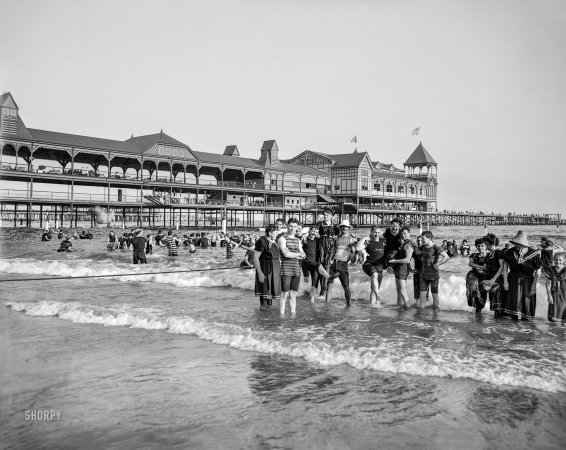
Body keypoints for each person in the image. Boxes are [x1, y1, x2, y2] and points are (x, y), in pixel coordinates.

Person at [502, 231, 542, 321]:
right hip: (512, 279)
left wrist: (534, 285)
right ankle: (514, 327)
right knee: (513, 304)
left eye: (518, 243)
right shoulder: (510, 252)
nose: (515, 245)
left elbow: (538, 271)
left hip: (528, 280)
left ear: (524, 244)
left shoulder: (534, 254)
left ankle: (526, 327)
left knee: (527, 302)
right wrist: (505, 281)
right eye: (515, 242)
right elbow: (505, 266)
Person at [278, 218, 306, 315]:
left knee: (293, 294)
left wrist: (295, 254)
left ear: (297, 228)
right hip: (286, 269)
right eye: (290, 226)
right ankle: (281, 315)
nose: (292, 228)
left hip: (296, 270)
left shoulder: (298, 240)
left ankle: (292, 315)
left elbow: (304, 255)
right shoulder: (282, 239)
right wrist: (298, 254)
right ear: (287, 226)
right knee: (284, 294)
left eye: (294, 227)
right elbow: (286, 255)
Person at [326, 219, 357, 306]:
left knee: (346, 287)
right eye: (343, 227)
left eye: (346, 227)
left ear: (348, 228)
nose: (344, 228)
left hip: (343, 264)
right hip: (334, 264)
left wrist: (353, 251)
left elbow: (354, 255)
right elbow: (332, 250)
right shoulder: (337, 238)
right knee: (329, 285)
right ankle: (327, 305)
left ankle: (349, 305)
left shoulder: (352, 239)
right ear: (341, 227)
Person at [417, 231, 450, 309]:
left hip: (433, 276)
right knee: (422, 293)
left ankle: (435, 311)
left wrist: (437, 264)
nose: (422, 240)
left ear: (429, 238)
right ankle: (422, 311)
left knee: (434, 293)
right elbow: (418, 254)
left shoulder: (436, 247)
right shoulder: (423, 247)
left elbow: (447, 257)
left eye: (423, 238)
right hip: (423, 275)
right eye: (421, 238)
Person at [254, 224, 282, 306]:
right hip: (265, 269)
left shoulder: (276, 241)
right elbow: (256, 258)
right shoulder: (262, 241)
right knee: (264, 296)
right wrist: (260, 274)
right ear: (270, 233)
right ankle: (263, 316)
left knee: (270, 296)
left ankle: (268, 316)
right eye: (276, 232)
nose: (277, 234)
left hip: (274, 270)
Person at [357, 226, 386, 305]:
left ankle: (373, 306)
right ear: (371, 232)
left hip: (379, 267)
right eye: (375, 232)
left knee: (374, 288)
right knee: (374, 274)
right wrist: (364, 238)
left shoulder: (382, 241)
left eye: (378, 232)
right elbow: (358, 248)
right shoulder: (368, 241)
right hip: (368, 264)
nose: (377, 234)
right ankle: (378, 295)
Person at [301, 226, 331, 302]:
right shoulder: (304, 239)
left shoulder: (317, 240)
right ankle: (328, 276)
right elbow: (299, 247)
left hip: (315, 263)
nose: (314, 233)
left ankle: (312, 301)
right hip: (307, 262)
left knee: (315, 282)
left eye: (316, 232)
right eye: (313, 231)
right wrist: (303, 235)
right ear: (310, 230)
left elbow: (326, 242)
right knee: (318, 265)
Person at [389, 227, 414, 308]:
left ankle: (408, 309)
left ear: (409, 233)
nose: (403, 235)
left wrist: (394, 261)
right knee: (398, 290)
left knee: (403, 291)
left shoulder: (409, 244)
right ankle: (399, 307)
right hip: (398, 269)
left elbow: (407, 260)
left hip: (403, 269)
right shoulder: (404, 243)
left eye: (405, 233)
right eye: (402, 233)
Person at [317, 208, 339, 298]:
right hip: (322, 244)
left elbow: (339, 235)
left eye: (327, 215)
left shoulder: (335, 226)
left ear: (331, 216)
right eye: (324, 215)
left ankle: (326, 286)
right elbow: (313, 231)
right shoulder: (320, 224)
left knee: (330, 263)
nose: (325, 217)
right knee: (322, 262)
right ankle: (322, 288)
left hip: (332, 245)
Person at [483, 234, 506, 318]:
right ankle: (497, 322)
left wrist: (493, 279)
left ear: (493, 244)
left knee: (498, 301)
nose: (486, 246)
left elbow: (501, 267)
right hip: (491, 277)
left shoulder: (498, 253)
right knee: (494, 300)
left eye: (487, 244)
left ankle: (499, 321)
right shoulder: (490, 254)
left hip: (497, 278)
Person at [466, 238, 489, 312]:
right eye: (478, 246)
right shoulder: (474, 255)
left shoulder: (490, 255)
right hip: (475, 275)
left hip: (485, 277)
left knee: (482, 296)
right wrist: (480, 266)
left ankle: (478, 314)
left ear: (486, 246)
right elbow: (470, 263)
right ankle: (473, 291)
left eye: (482, 246)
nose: (480, 248)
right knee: (474, 289)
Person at [544, 252, 566, 325]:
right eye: (556, 259)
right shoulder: (550, 269)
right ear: (553, 259)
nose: (557, 261)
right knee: (554, 316)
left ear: (564, 261)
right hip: (554, 294)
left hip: (564, 295)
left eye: (560, 260)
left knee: (564, 314)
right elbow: (547, 284)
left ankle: (562, 332)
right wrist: (549, 295)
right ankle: (554, 332)